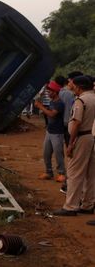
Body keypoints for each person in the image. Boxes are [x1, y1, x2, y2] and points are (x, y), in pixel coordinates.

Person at [53, 75, 95, 216]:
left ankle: (71, 206)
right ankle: (88, 204)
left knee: (74, 173)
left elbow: (76, 122)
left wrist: (71, 143)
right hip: (91, 136)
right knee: (91, 174)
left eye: (74, 86)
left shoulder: (81, 100)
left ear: (79, 87)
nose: (73, 89)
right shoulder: (93, 98)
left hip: (81, 137)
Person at [34, 81, 66, 182]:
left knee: (58, 153)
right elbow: (50, 113)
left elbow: (52, 114)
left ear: (55, 92)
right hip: (50, 131)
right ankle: (48, 172)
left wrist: (40, 106)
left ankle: (62, 173)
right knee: (46, 153)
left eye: (50, 91)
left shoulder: (59, 103)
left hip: (57, 132)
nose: (48, 93)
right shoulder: (53, 102)